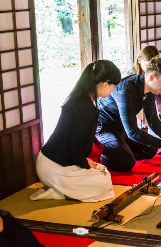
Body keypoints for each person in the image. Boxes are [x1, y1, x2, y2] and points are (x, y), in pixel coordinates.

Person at [30, 60, 120, 202]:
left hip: (50, 163)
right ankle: (58, 194)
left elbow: (74, 143)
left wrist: (85, 162)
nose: (114, 89)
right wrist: (84, 163)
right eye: (114, 85)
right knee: (103, 181)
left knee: (102, 172)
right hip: (54, 167)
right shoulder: (84, 107)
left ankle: (57, 188)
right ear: (104, 84)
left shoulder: (81, 100)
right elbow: (75, 144)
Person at [96, 57, 161, 172]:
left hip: (122, 129)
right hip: (104, 128)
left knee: (151, 149)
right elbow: (132, 132)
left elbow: (153, 121)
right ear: (152, 77)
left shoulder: (150, 89)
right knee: (127, 163)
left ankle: (120, 149)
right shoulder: (126, 89)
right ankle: (103, 151)